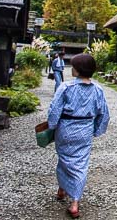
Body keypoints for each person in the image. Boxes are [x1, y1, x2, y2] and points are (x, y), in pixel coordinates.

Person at [47, 53, 110, 218]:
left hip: (65, 128)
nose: (71, 69)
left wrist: (52, 126)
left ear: (78, 69)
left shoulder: (66, 87)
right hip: (85, 129)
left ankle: (62, 189)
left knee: (64, 159)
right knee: (80, 164)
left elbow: (55, 110)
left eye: (73, 66)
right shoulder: (98, 89)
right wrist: (96, 130)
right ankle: (74, 202)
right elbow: (103, 113)